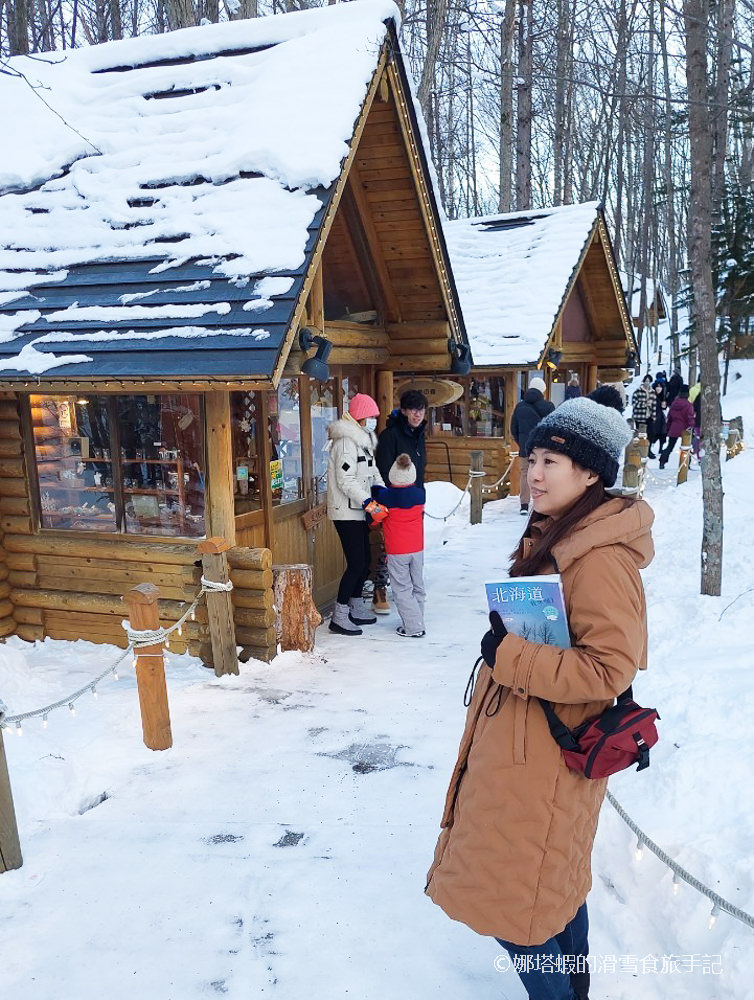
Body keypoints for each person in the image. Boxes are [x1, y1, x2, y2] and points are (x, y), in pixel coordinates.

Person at [426, 394, 654, 1000]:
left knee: (518, 913)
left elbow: (610, 667)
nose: (535, 473)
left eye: (552, 461)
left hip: (545, 761)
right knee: (549, 893)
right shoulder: (562, 535)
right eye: (532, 459)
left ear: (591, 474)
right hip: (531, 750)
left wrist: (510, 655)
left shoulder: (598, 558)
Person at [326, 394, 387, 636]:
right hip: (345, 511)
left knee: (364, 562)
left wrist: (382, 491)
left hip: (359, 510)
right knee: (357, 564)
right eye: (371, 416)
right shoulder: (345, 443)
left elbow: (373, 470)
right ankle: (340, 615)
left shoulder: (363, 439)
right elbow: (345, 480)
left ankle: (355, 605)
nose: (373, 421)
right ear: (360, 416)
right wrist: (368, 501)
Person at [374, 390, 428, 612]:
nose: (418, 414)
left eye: (421, 410)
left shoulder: (419, 434)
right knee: (387, 547)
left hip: (414, 501)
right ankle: (379, 589)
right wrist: (388, 499)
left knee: (411, 553)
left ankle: (410, 600)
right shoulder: (390, 436)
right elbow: (382, 471)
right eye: (413, 410)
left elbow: (420, 470)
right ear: (404, 411)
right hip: (392, 503)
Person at [372, 453, 426, 638]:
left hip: (397, 550)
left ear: (393, 475)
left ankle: (413, 627)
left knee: (402, 589)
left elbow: (376, 516)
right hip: (417, 549)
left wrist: (369, 500)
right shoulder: (420, 495)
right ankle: (417, 620)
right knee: (417, 586)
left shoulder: (385, 497)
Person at [511, 376, 555, 515]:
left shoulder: (519, 407)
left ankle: (524, 505)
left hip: (525, 448)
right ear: (543, 390)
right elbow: (553, 429)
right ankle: (544, 503)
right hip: (543, 449)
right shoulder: (549, 406)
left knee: (525, 474)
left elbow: (513, 429)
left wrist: (522, 443)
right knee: (544, 474)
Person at [659, 385, 695, 469]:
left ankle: (662, 461)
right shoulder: (688, 405)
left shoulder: (674, 404)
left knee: (670, 447)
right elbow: (690, 417)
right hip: (685, 429)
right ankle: (686, 464)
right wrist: (692, 426)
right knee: (686, 447)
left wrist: (668, 428)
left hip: (674, 427)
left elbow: (669, 417)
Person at [647, 381, 667, 458]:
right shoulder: (652, 395)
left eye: (660, 387)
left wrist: (664, 406)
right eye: (657, 387)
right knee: (651, 434)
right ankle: (648, 450)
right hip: (653, 417)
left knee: (662, 433)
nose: (659, 388)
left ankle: (660, 448)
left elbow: (663, 407)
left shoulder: (663, 396)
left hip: (660, 417)